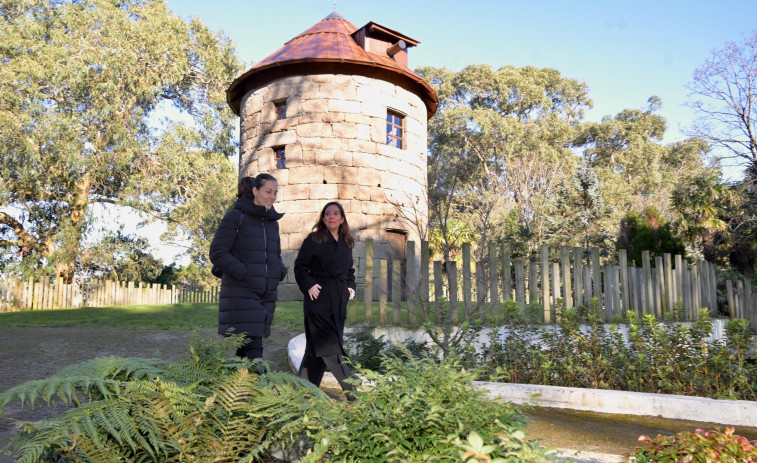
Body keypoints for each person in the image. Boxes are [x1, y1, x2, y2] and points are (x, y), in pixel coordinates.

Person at [209, 173, 287, 366]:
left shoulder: (272, 224)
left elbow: (275, 255)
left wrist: (279, 270)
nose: (272, 197)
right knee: (255, 353)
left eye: (275, 193)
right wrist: (245, 273)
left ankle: (234, 391)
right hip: (242, 293)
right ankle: (264, 392)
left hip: (266, 296)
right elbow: (217, 252)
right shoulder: (236, 217)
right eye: (268, 191)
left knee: (245, 352)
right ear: (255, 190)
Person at [294, 201, 358, 396]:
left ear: (342, 218)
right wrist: (309, 284)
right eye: (327, 213)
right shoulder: (314, 239)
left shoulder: (347, 243)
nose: (331, 216)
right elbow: (300, 266)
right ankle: (352, 392)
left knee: (316, 348)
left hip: (339, 300)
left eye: (336, 213)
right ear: (323, 218)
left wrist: (350, 287)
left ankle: (302, 392)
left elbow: (349, 271)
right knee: (330, 346)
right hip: (319, 298)